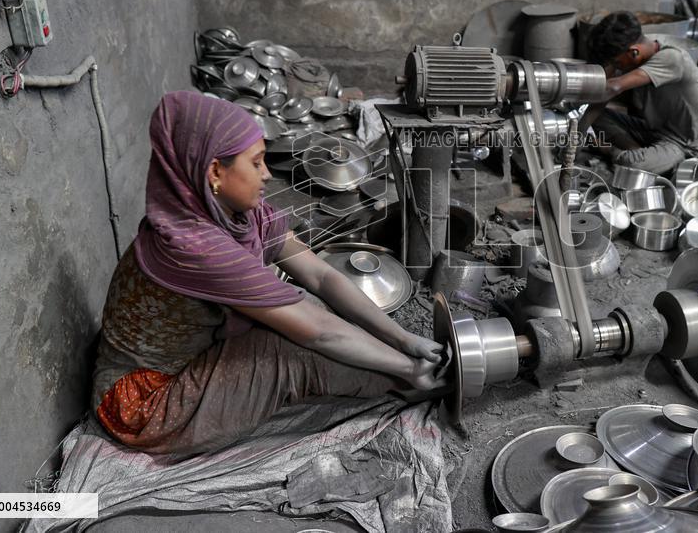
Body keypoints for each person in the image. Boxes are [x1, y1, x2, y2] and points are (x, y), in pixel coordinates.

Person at [91, 91, 444, 454]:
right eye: (256, 162)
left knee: (307, 306)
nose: (267, 174)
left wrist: (402, 339)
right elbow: (320, 335)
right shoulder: (195, 246)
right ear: (214, 171)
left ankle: (407, 373)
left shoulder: (238, 213)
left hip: (187, 356)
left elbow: (320, 276)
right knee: (290, 353)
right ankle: (422, 384)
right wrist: (406, 370)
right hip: (142, 404)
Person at [581, 11, 698, 176]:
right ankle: (637, 150)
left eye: (616, 62)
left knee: (631, 164)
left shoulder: (671, 58)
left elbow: (613, 88)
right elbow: (604, 96)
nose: (616, 67)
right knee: (598, 117)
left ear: (634, 52)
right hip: (655, 131)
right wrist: (577, 133)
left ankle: (612, 151)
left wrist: (568, 90)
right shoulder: (638, 50)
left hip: (685, 144)